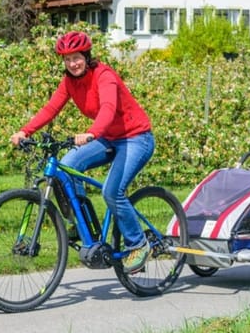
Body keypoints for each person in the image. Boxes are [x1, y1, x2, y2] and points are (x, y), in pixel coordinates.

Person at [10, 31, 154, 273]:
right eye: (67, 60)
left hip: (136, 138)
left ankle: (138, 243)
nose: (72, 64)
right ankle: (82, 225)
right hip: (107, 137)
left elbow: (108, 108)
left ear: (86, 56)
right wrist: (25, 131)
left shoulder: (104, 75)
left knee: (112, 191)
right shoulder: (69, 82)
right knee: (66, 168)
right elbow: (51, 108)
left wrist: (91, 132)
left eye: (76, 58)